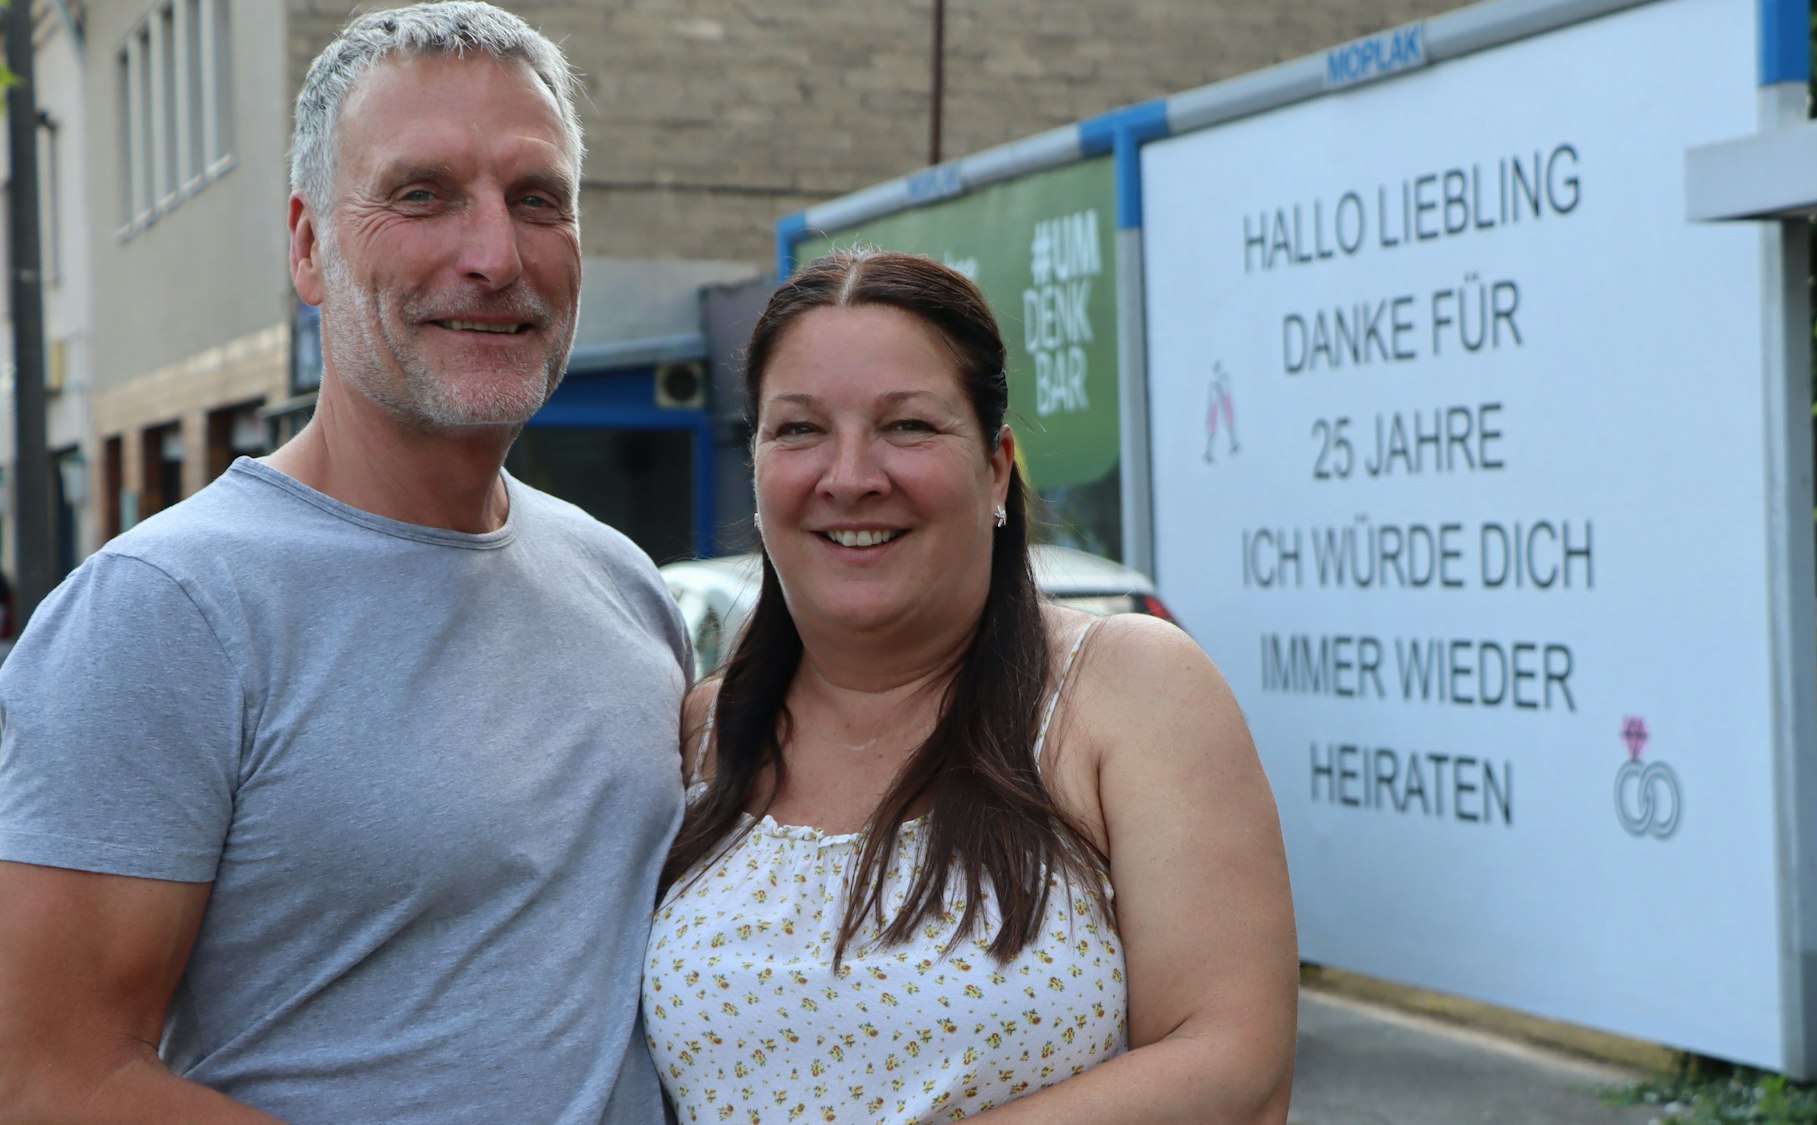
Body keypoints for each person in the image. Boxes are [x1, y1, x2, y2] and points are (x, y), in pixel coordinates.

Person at [0, 5, 690, 1122]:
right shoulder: (162, 612)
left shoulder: (623, 584)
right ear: (309, 245)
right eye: (420, 195)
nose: (492, 256)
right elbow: (49, 1084)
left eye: (535, 201)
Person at [644, 250, 1298, 1123]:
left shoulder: (1129, 691)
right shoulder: (701, 734)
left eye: (907, 426)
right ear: (758, 471)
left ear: (996, 468)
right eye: (798, 430)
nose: (849, 475)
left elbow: (1232, 1066)